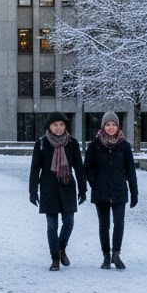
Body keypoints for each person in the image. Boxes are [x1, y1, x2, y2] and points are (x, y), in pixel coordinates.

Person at [29, 112, 87, 270]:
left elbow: (79, 167)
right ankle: (55, 258)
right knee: (51, 226)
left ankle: (61, 248)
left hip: (67, 186)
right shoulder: (41, 143)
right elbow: (35, 168)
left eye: (61, 124)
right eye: (55, 125)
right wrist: (32, 191)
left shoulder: (72, 143)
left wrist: (83, 189)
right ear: (49, 126)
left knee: (69, 223)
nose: (59, 128)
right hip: (49, 188)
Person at [84, 111, 138, 269]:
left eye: (114, 124)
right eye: (108, 124)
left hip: (119, 190)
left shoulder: (125, 146)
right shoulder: (95, 145)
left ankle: (116, 253)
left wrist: (134, 192)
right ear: (103, 126)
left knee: (119, 223)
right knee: (104, 225)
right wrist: (94, 182)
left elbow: (130, 171)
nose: (111, 127)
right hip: (100, 192)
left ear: (118, 126)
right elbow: (87, 167)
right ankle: (106, 255)